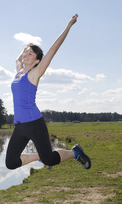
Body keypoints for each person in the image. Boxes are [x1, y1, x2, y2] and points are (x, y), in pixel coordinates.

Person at [5, 14, 91, 171]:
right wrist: (25, 48)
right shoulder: (18, 73)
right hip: (19, 126)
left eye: (30, 53)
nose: (26, 55)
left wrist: (69, 25)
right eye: (26, 52)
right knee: (11, 162)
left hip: (34, 123)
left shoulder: (35, 73)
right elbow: (17, 60)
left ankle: (75, 152)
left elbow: (53, 48)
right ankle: (40, 156)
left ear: (37, 60)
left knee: (50, 159)